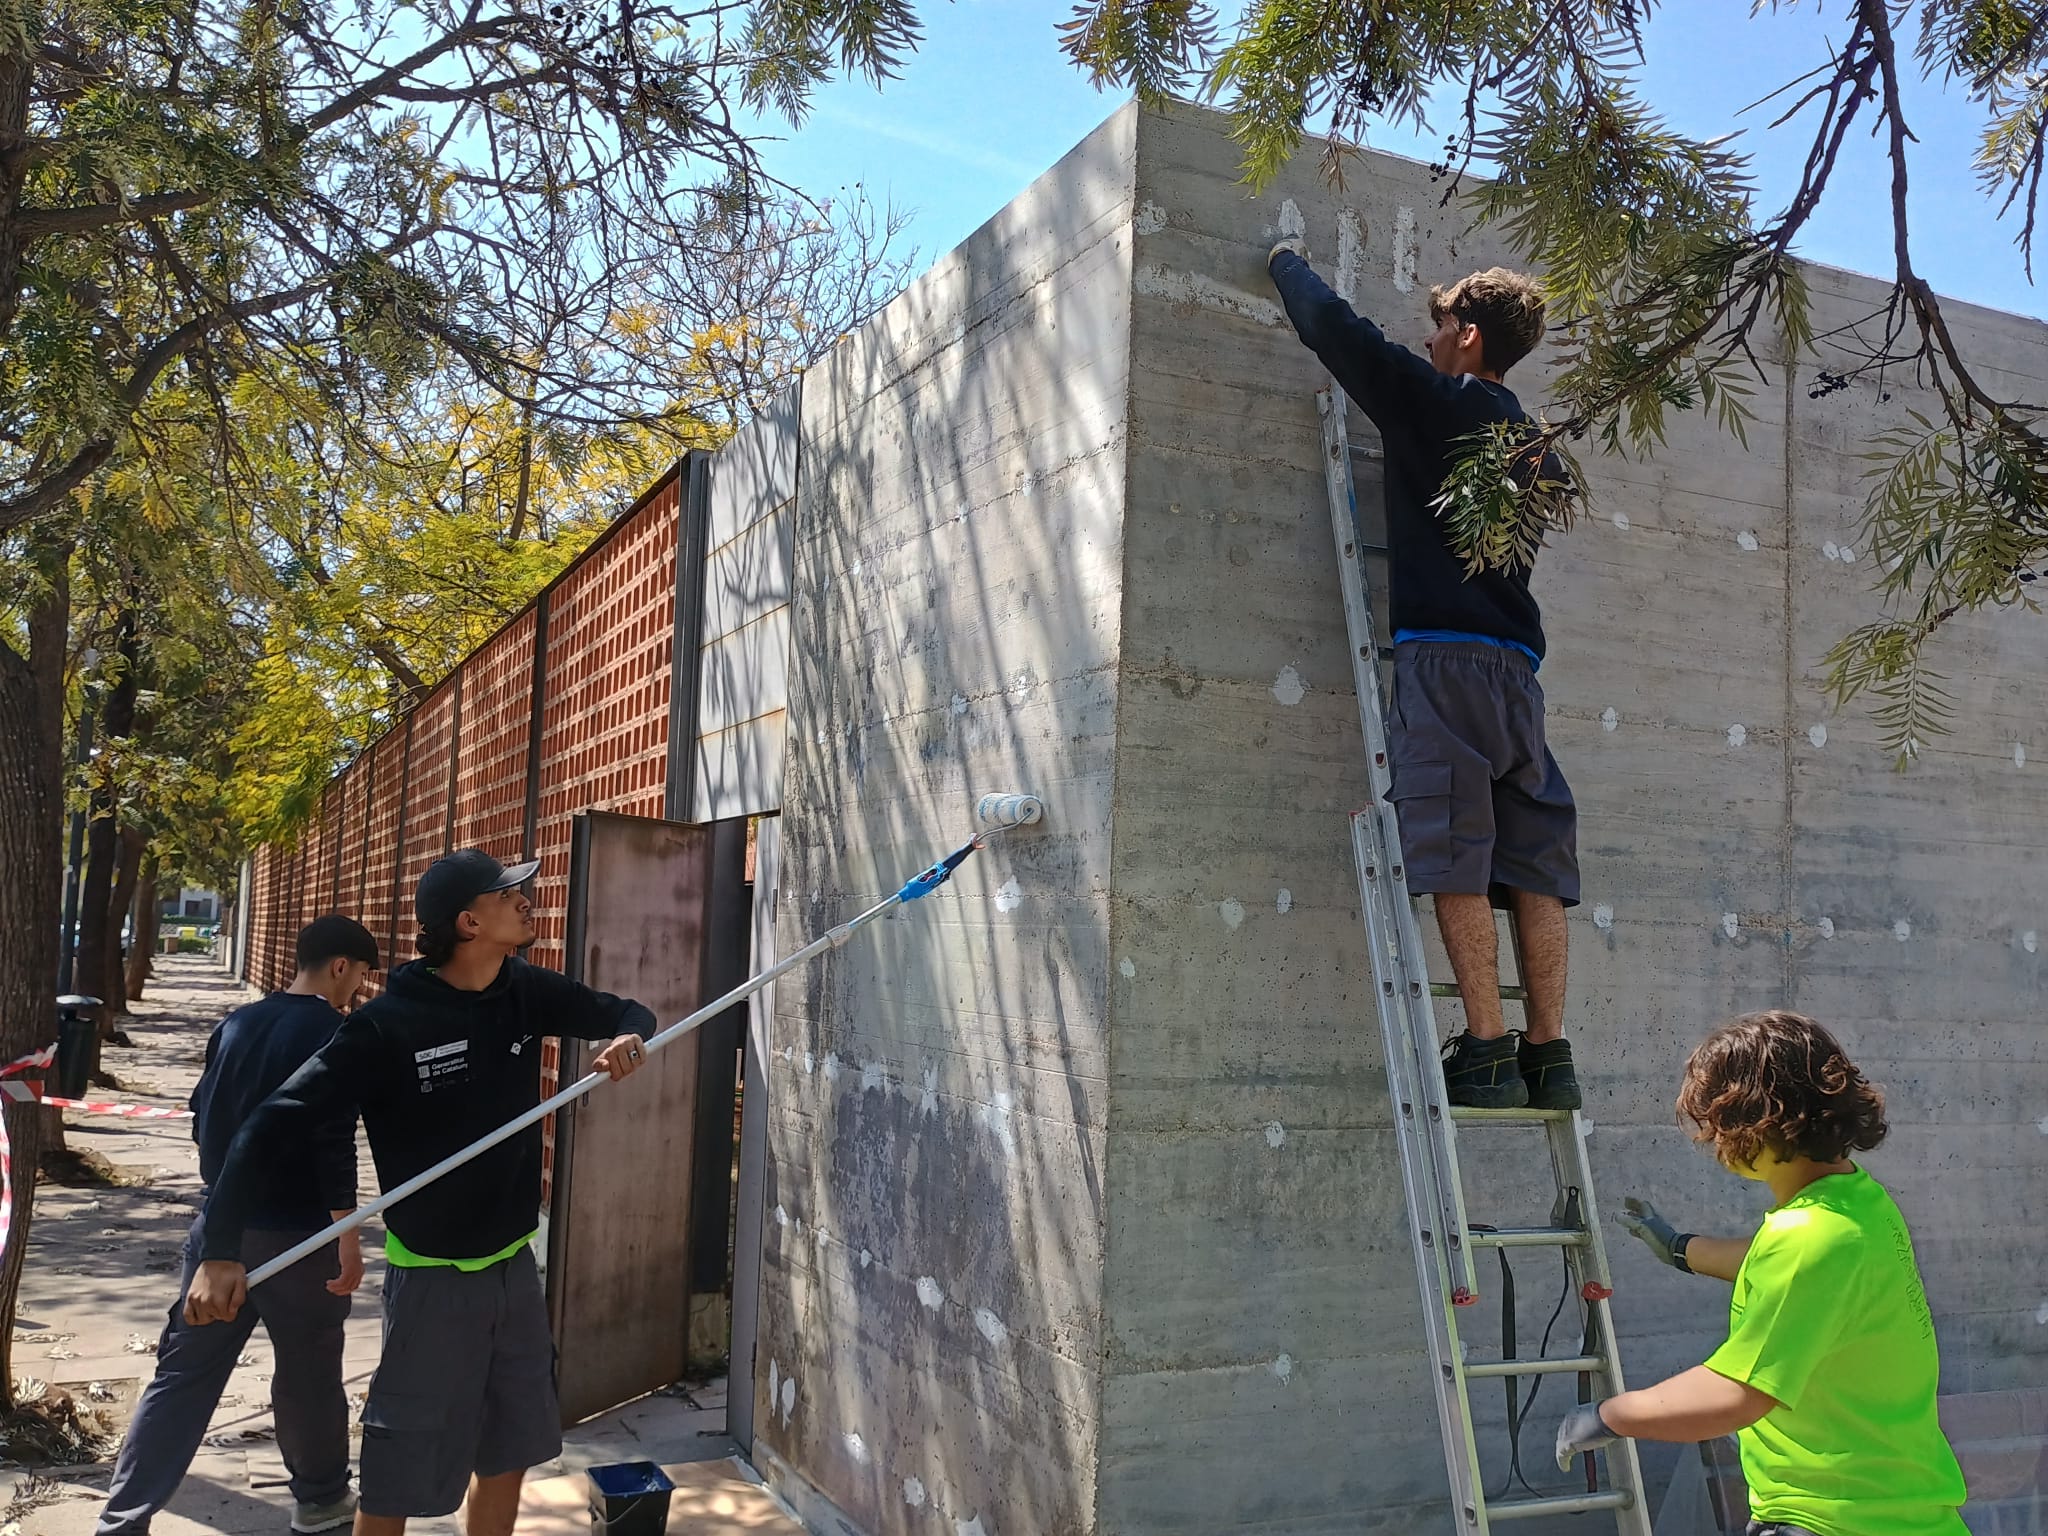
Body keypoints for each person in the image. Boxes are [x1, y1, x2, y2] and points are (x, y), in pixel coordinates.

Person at [183, 849, 654, 1536]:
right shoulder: (387, 1024)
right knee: (400, 1463)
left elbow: (625, 1009)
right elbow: (265, 1128)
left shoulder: (523, 989)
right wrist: (220, 1249)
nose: (529, 899)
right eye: (509, 894)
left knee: (510, 1444)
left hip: (513, 1267)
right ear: (468, 922)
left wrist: (628, 1037)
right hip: (431, 1275)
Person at [1267, 241, 1581, 1110]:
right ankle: (1549, 1056)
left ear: (1469, 336)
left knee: (1451, 857)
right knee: (1535, 869)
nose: (1432, 341)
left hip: (1445, 666)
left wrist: (1286, 261)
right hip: (1519, 676)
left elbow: (1340, 334)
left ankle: (1485, 1050)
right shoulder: (1536, 448)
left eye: (1441, 327)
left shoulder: (1442, 404)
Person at [1555, 1010, 1969, 1536]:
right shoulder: (1857, 1204)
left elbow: (1734, 1396)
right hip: (1899, 1513)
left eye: (1717, 1126)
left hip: (1831, 1520)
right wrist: (1681, 1249)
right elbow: (1780, 1269)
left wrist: (1612, 1415)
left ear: (1758, 1122)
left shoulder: (1808, 1238)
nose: (1714, 1143)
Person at [98, 915, 379, 1536]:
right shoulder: (337, 1035)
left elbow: (203, 1118)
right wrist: (348, 1240)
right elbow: (333, 1149)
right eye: (359, 976)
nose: (357, 989)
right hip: (299, 1239)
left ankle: (124, 1516)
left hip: (219, 1232)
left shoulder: (237, 1024)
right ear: (340, 967)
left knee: (182, 1375)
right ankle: (322, 1502)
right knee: (308, 1375)